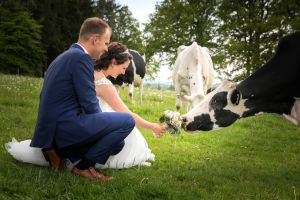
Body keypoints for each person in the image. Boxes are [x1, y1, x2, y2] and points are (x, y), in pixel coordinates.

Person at [29, 17, 136, 181]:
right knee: (127, 121)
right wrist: (104, 127)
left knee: (117, 144)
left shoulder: (63, 56)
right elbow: (89, 103)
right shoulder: (81, 58)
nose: (106, 49)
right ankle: (83, 167)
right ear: (95, 39)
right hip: (64, 126)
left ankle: (59, 152)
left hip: (51, 127)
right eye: (106, 43)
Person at [93, 42, 166, 168]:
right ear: (114, 62)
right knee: (128, 129)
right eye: (123, 68)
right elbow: (128, 115)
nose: (123, 72)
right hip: (96, 123)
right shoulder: (104, 84)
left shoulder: (91, 71)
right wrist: (153, 127)